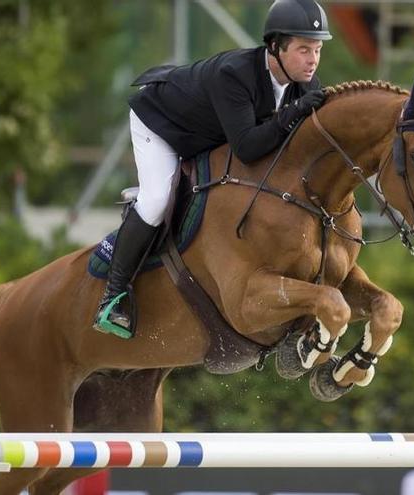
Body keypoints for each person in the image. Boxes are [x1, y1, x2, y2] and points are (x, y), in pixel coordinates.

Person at [93, 0, 332, 338]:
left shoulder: (306, 85)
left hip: (209, 132)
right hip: (162, 123)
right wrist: (292, 114)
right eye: (304, 49)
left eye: (318, 49)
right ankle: (114, 295)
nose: (312, 60)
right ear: (276, 47)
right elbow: (248, 148)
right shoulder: (235, 74)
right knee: (158, 198)